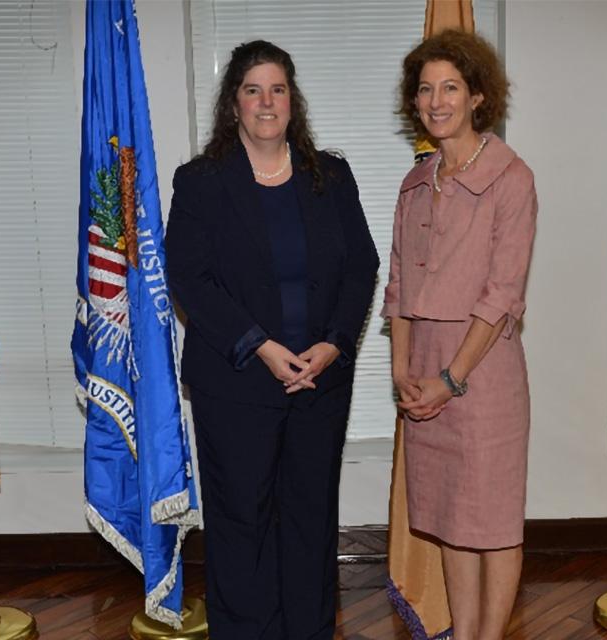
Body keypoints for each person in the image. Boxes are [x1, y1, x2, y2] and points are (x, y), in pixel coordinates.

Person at [164, 40, 378, 640]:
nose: (266, 101)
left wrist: (334, 343)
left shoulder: (330, 175)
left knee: (310, 519)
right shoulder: (201, 181)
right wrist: (261, 345)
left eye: (277, 88)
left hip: (320, 382)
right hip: (234, 383)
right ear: (234, 103)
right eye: (253, 89)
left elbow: (361, 267)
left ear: (293, 101)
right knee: (242, 523)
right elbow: (191, 278)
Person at [382, 30, 537, 640]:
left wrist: (451, 379)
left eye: (450, 87)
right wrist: (403, 374)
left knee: (492, 523)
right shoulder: (414, 183)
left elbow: (502, 295)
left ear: (477, 97)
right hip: (421, 369)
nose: (436, 100)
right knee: (449, 517)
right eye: (425, 89)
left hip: (483, 370)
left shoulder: (511, 178)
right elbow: (396, 288)